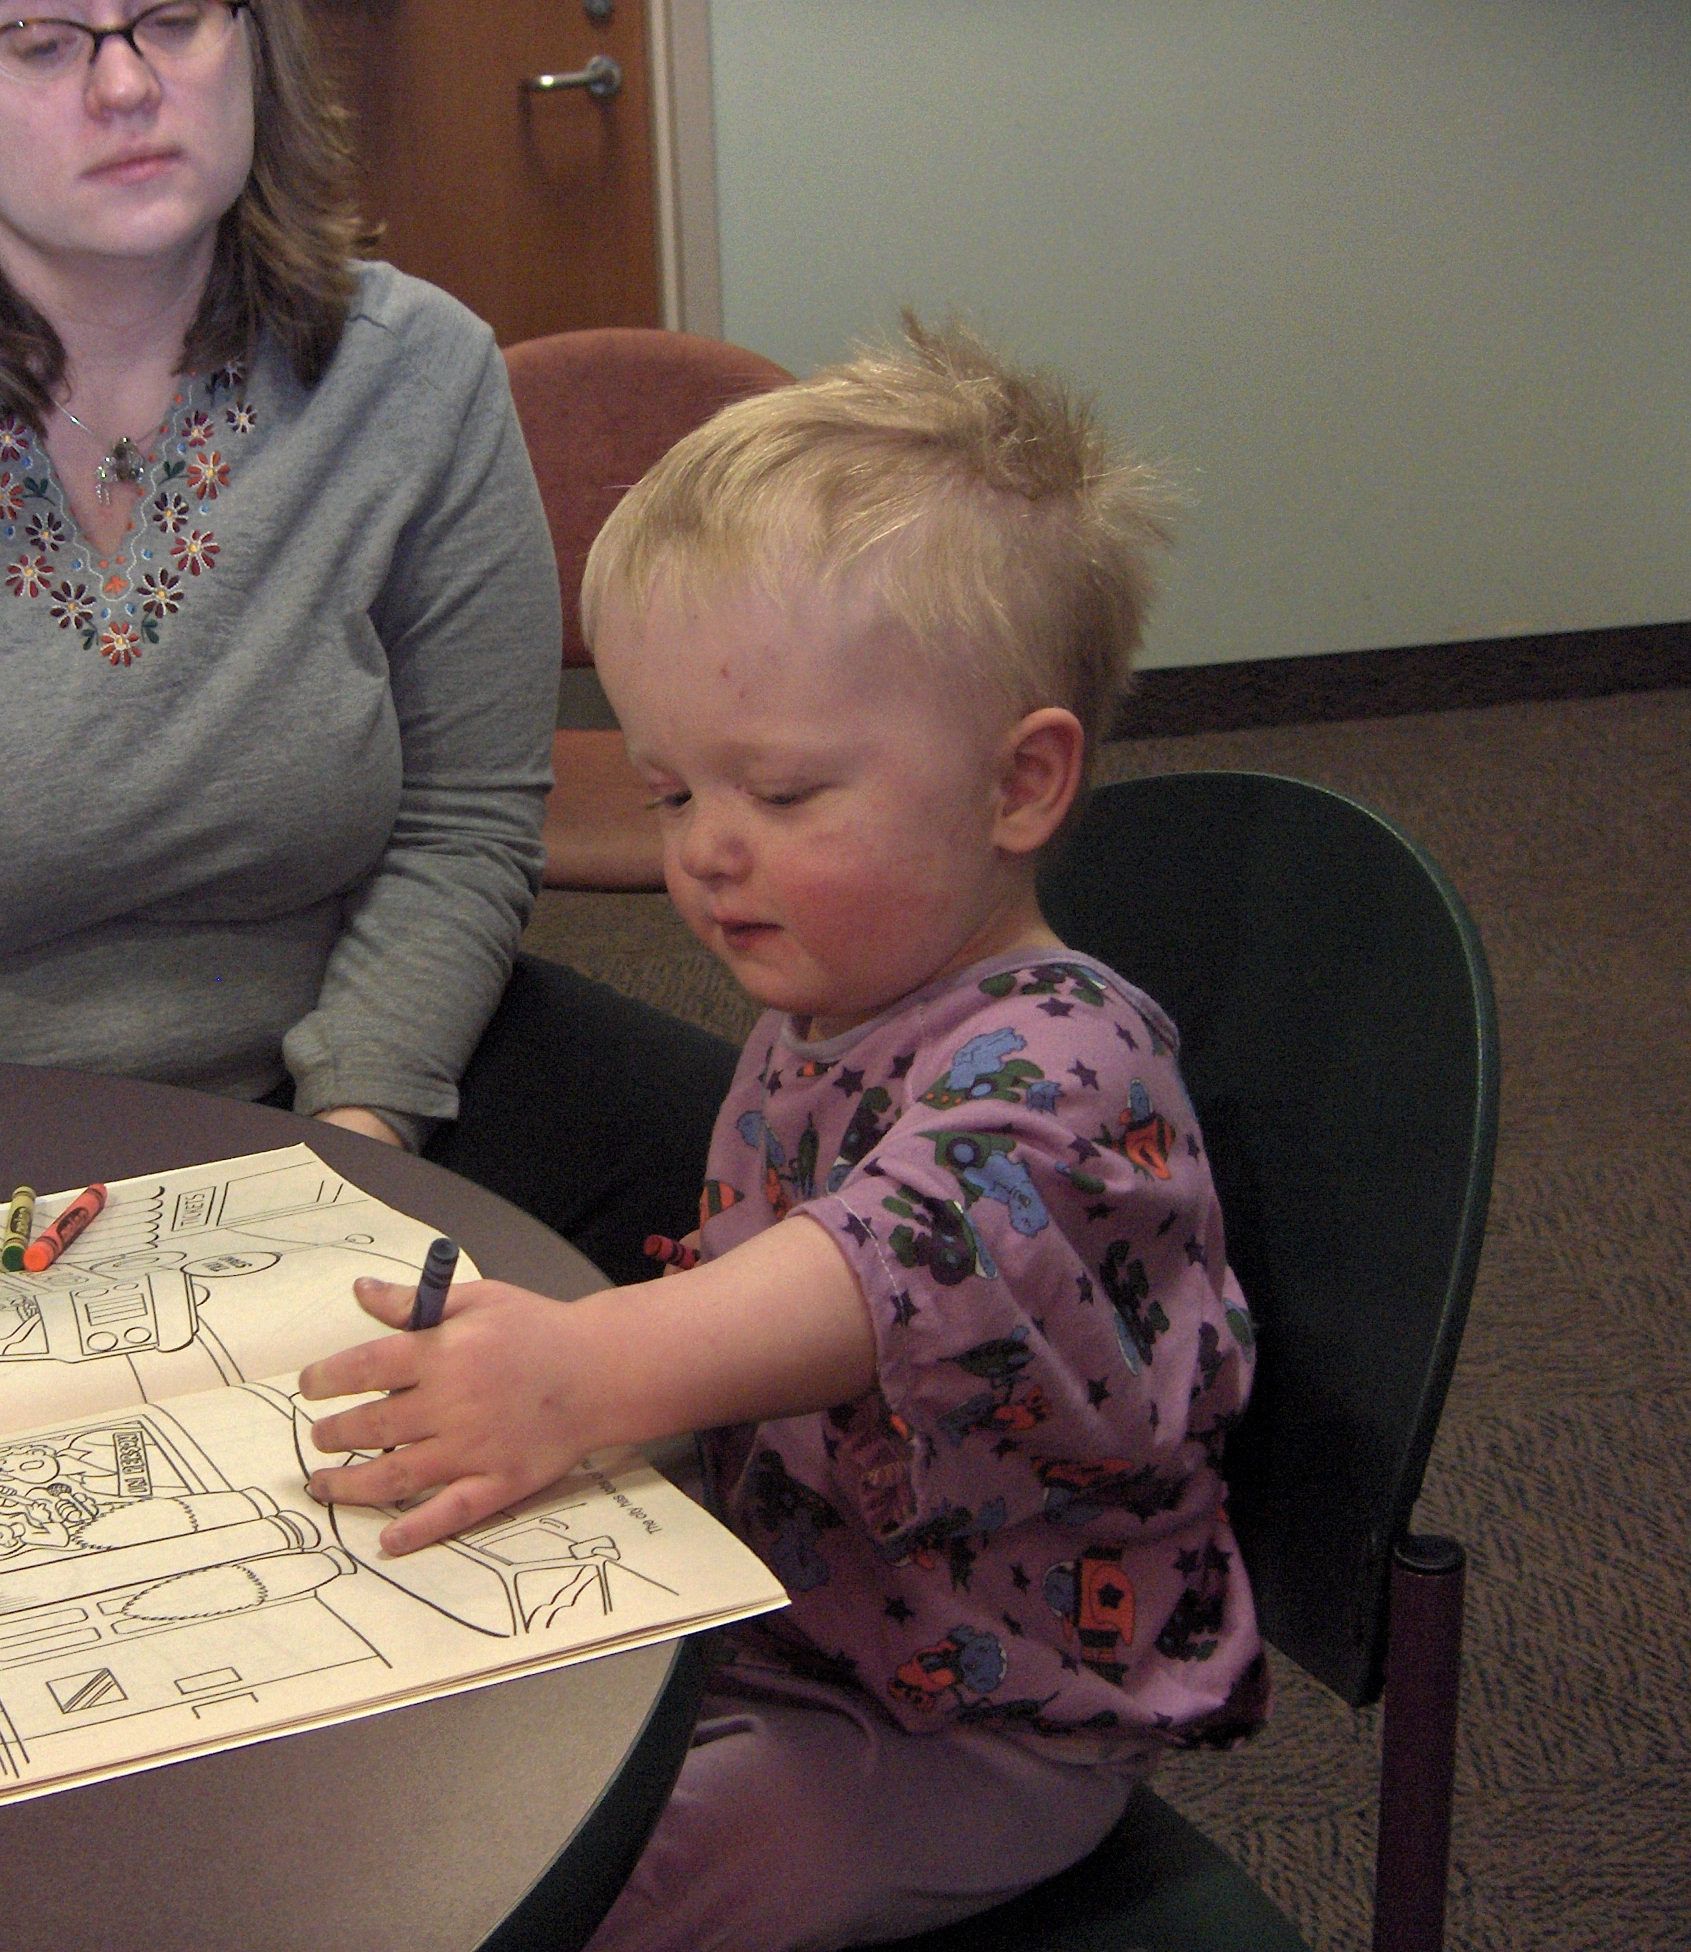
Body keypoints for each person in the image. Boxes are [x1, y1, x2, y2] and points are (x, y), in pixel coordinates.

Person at [298, 321, 1267, 1947]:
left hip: (974, 1721)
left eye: (785, 794)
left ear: (1018, 785)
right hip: (803, 1601)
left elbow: (891, 1261)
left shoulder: (1064, 1070)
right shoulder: (838, 999)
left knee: (560, 1882)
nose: (707, 855)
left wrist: (586, 1367)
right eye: (678, 794)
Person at [0, 0, 731, 1287]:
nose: (126, 84)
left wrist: (353, 1147)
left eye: (174, 18)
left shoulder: (418, 374)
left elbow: (463, 826)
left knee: (790, 1183)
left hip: (331, 1086)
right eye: (41, 40)